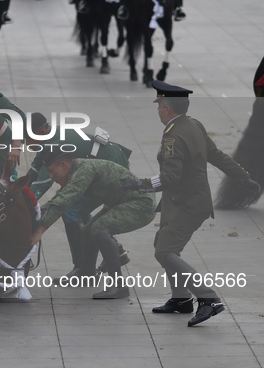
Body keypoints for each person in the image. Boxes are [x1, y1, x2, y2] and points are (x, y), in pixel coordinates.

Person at [122, 81, 260, 326]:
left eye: (159, 106)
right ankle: (181, 299)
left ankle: (208, 299)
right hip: (190, 201)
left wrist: (139, 185)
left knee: (165, 251)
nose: (158, 111)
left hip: (185, 203)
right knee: (163, 244)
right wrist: (244, 177)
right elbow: (216, 155)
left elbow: (170, 177)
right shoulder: (193, 124)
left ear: (166, 107)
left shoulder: (173, 136)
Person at [30, 150, 156, 299]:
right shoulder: (76, 171)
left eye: (52, 171)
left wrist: (39, 231)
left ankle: (119, 286)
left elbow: (64, 202)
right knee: (88, 229)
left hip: (141, 204)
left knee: (100, 229)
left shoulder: (85, 170)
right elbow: (57, 200)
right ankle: (87, 274)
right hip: (120, 202)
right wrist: (31, 214)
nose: (51, 176)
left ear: (63, 165)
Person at [25, 112, 133, 279]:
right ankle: (116, 251)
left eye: (28, 139)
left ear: (41, 131)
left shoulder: (54, 144)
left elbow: (42, 183)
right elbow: (36, 167)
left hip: (111, 171)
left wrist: (23, 203)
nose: (26, 145)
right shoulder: (51, 136)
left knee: (71, 211)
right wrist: (21, 188)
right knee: (78, 210)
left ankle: (83, 270)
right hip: (104, 164)